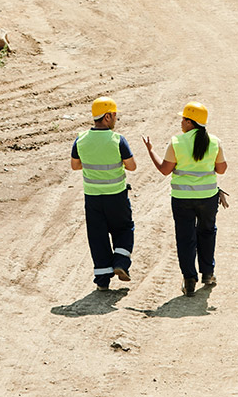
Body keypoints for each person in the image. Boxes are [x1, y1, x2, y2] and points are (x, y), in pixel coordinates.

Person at [142, 102, 227, 297]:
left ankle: (189, 280)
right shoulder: (214, 142)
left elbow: (164, 170)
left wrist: (150, 151)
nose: (181, 122)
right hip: (208, 198)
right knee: (207, 233)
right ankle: (208, 273)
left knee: (185, 238)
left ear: (190, 122)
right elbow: (221, 169)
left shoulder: (177, 142)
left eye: (183, 119)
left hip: (182, 199)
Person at [71, 97, 137, 291]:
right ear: (107, 116)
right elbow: (132, 166)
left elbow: (75, 166)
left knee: (97, 236)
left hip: (92, 198)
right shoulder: (117, 140)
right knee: (124, 229)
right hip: (116, 196)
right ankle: (121, 262)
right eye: (115, 115)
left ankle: (102, 281)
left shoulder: (81, 139)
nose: (116, 119)